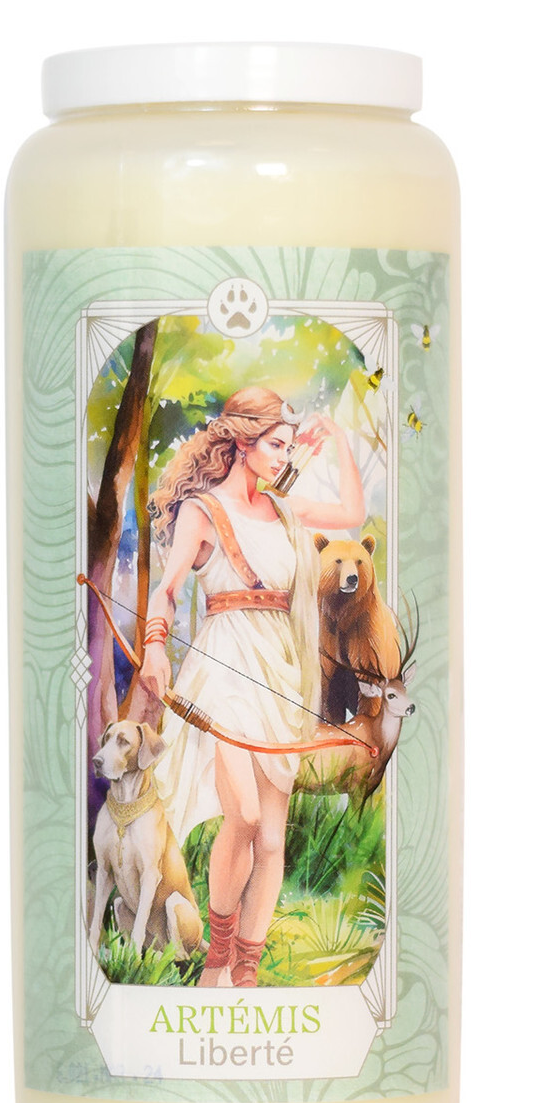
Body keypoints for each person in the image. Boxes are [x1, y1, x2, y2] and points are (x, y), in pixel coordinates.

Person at [140, 386, 364, 987]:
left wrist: (338, 440)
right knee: (240, 813)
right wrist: (155, 644)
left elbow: (350, 511)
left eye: (290, 447)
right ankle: (217, 956)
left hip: (279, 672)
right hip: (224, 667)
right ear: (243, 443)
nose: (285, 457)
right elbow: (167, 588)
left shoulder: (284, 510)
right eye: (275, 445)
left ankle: (246, 969)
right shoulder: (204, 510)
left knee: (269, 839)